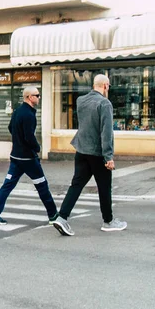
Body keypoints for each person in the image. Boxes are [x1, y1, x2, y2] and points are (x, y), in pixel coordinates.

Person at [52, 74, 127, 237]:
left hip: (81, 150)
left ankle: (62, 217)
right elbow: (106, 132)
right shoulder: (104, 103)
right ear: (105, 86)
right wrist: (109, 157)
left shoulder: (81, 101)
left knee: (76, 185)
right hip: (97, 152)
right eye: (109, 86)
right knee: (104, 187)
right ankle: (108, 221)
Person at [0, 86, 59, 226]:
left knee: (7, 185)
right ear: (29, 97)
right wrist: (37, 148)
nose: (39, 97)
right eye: (37, 95)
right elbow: (29, 137)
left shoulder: (18, 111)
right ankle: (53, 215)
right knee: (42, 185)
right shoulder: (28, 115)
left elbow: (10, 128)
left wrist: (18, 140)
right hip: (28, 159)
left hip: (16, 157)